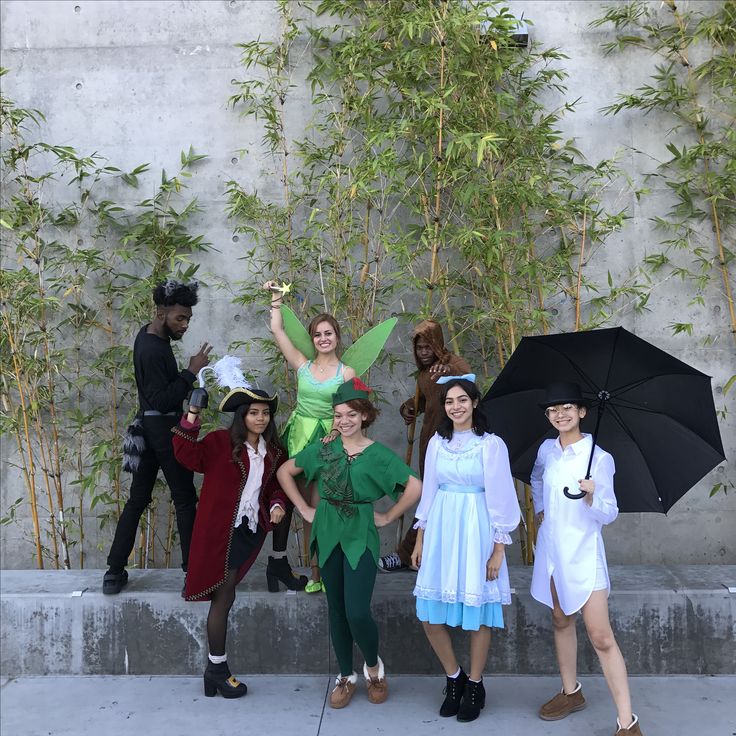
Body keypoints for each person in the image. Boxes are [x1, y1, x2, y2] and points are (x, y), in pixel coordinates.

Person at [277, 378, 422, 709]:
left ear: (365, 416)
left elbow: (415, 487)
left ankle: (373, 668)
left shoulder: (379, 456)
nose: (344, 421)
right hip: (327, 532)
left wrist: (387, 517)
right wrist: (303, 508)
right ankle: (345, 675)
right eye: (339, 415)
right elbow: (285, 472)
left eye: (351, 415)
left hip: (360, 534)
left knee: (357, 611)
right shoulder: (324, 449)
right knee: (337, 611)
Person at [530, 382, 643, 735]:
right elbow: (536, 480)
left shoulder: (600, 458)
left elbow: (610, 513)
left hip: (583, 552)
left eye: (567, 407)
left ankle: (627, 722)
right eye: (552, 410)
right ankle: (570, 692)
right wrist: (542, 511)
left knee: (601, 636)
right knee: (561, 620)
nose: (560, 414)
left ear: (581, 412)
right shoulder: (548, 450)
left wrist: (593, 496)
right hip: (552, 549)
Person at [412, 375, 520, 722]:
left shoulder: (491, 445)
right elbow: (429, 490)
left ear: (474, 402)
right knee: (429, 615)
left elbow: (502, 496)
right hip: (442, 528)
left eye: (462, 400)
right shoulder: (436, 443)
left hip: (477, 529)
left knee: (477, 614)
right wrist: (420, 537)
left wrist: (499, 550)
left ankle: (475, 684)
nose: (455, 407)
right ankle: (454, 677)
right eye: (448, 402)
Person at [172, 385, 288, 698]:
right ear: (242, 416)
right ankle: (217, 670)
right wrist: (192, 414)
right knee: (223, 597)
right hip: (218, 532)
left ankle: (216, 670)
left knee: (226, 596)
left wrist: (277, 504)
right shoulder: (219, 442)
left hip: (247, 531)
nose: (261, 418)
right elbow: (185, 454)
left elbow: (275, 486)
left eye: (265, 413)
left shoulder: (274, 451)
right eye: (254, 413)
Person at [103, 279, 211, 595]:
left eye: (188, 318)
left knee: (138, 499)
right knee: (185, 499)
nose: (185, 324)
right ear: (162, 313)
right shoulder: (152, 348)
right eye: (180, 318)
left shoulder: (148, 337)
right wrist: (191, 372)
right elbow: (162, 399)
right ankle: (193, 574)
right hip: (163, 430)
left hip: (149, 427)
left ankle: (113, 572)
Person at [264, 280, 356, 592]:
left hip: (330, 443)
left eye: (328, 333)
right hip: (300, 440)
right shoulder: (302, 366)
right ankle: (315, 576)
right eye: (317, 334)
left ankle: (327, 572)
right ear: (312, 339)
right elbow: (278, 332)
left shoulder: (347, 373)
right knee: (306, 513)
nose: (323, 338)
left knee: (325, 509)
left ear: (337, 337)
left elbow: (350, 413)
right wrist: (277, 299)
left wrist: (335, 429)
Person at [379, 319, 471, 572]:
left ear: (438, 344)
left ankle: (407, 554)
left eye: (428, 347)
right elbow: (426, 401)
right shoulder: (423, 374)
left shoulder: (454, 365)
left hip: (456, 444)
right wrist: (408, 407)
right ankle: (421, 556)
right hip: (430, 444)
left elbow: (470, 389)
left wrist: (450, 372)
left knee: (436, 499)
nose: (423, 352)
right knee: (432, 498)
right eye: (419, 348)